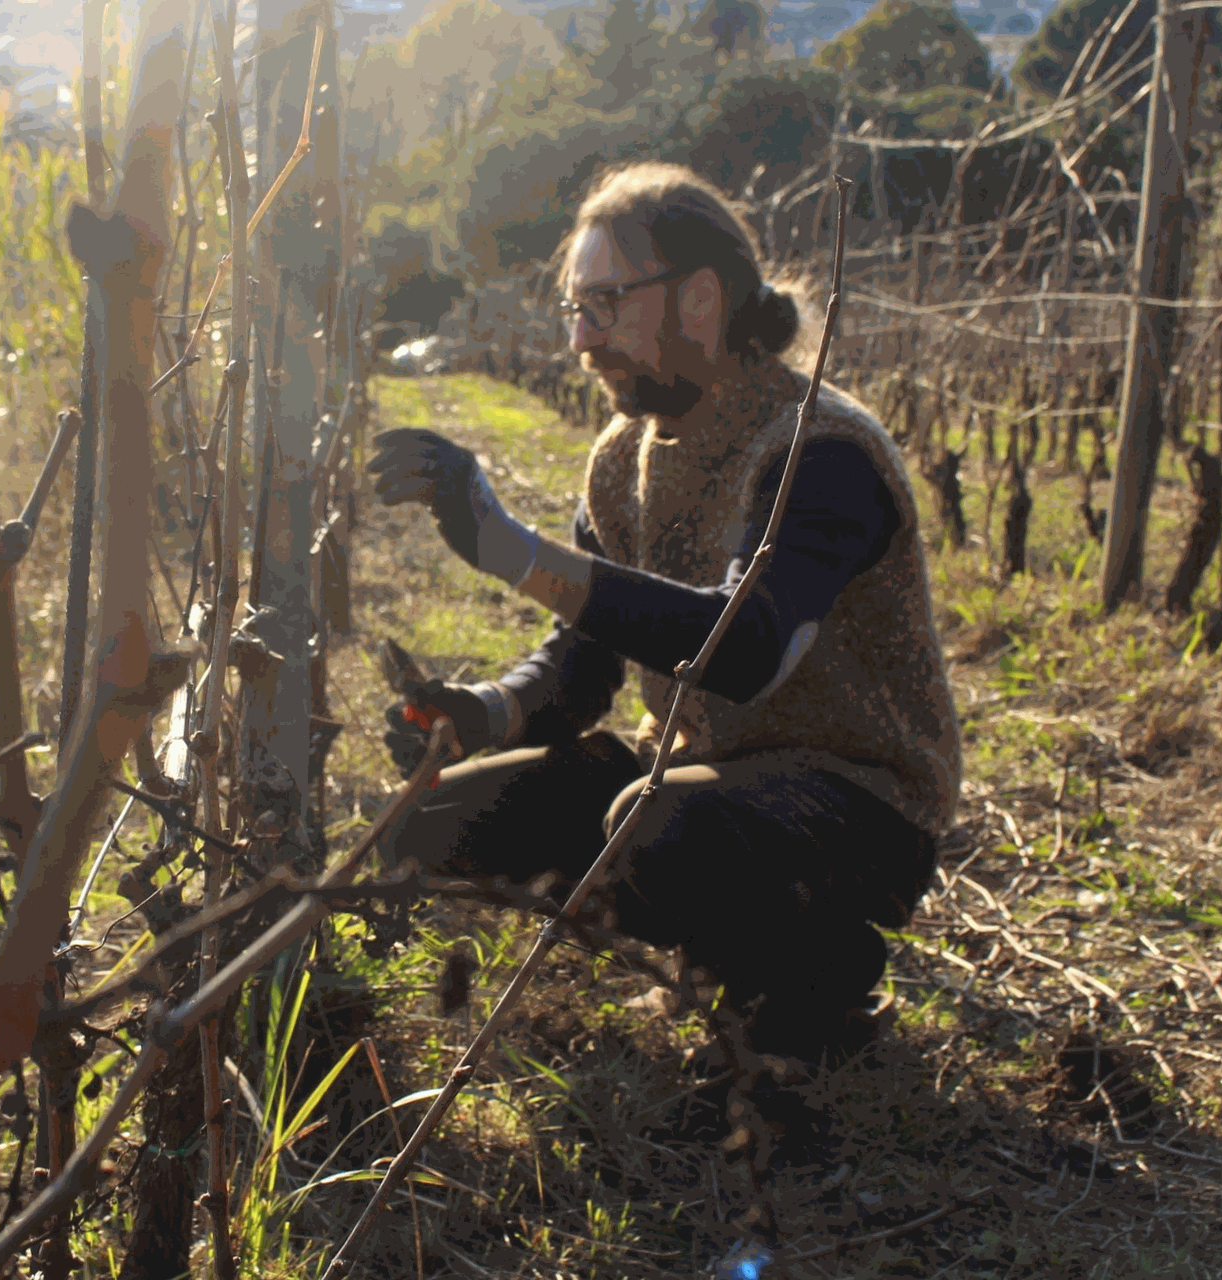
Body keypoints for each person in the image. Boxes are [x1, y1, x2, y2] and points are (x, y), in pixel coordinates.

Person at [367, 162, 960, 1084]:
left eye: (603, 303)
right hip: (695, 775)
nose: (579, 339)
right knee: (432, 820)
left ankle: (817, 981)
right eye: (573, 309)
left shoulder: (820, 450)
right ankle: (717, 933)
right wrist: (477, 715)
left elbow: (749, 651)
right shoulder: (620, 460)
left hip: (856, 799)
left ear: (700, 299)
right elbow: (581, 669)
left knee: (658, 834)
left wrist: (510, 549)